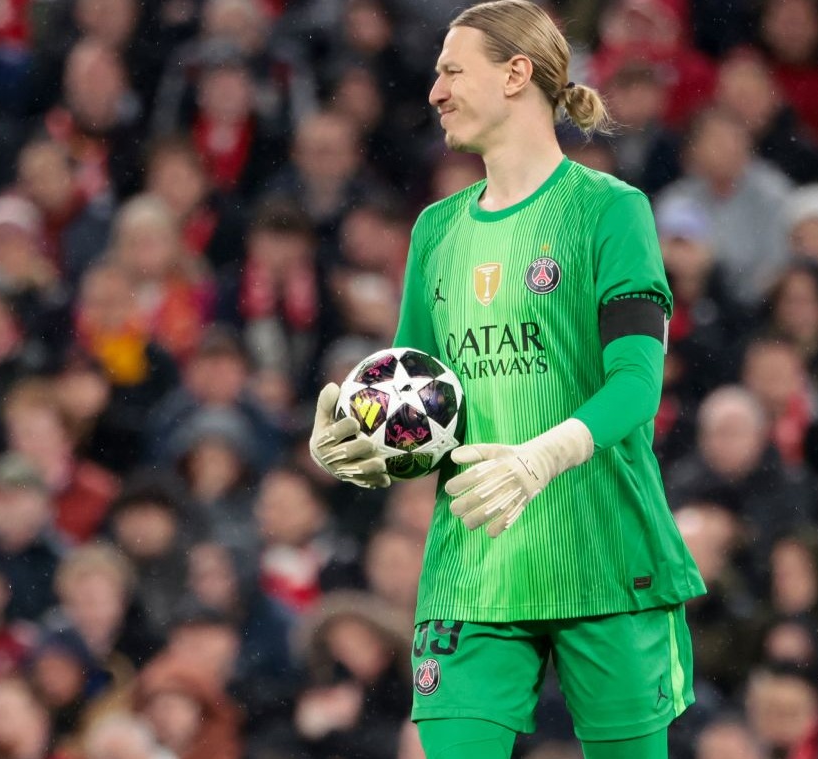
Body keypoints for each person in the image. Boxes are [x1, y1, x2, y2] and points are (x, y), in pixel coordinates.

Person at [306, 3, 705, 757]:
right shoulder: (435, 231)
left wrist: (539, 457)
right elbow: (420, 405)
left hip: (604, 554)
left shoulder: (611, 211)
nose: (434, 91)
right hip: (475, 565)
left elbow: (636, 385)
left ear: (517, 74)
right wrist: (360, 448)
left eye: (452, 71)